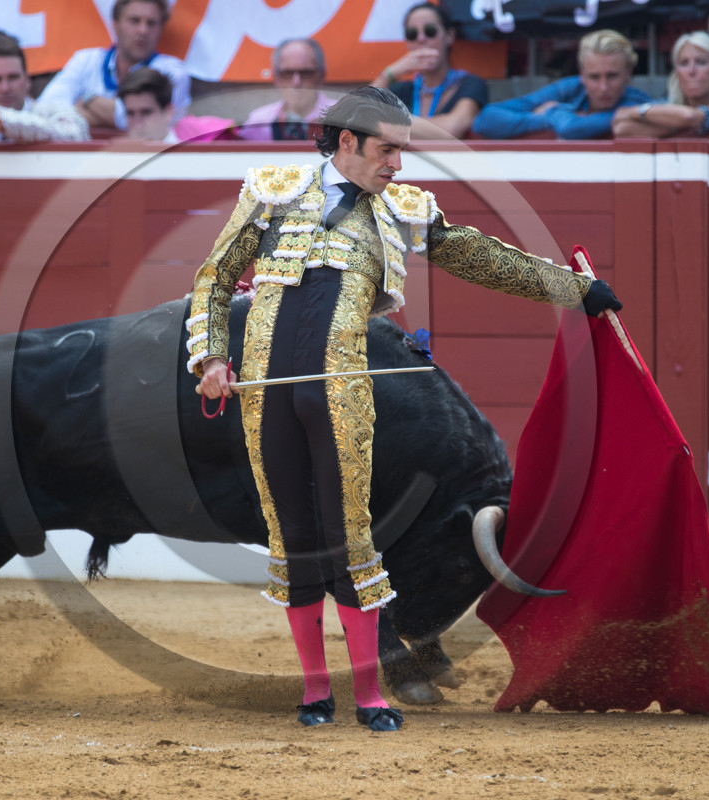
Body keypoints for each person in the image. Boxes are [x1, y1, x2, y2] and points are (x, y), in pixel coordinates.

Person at [186, 86, 621, 732]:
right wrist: (212, 358)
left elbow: (480, 255)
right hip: (268, 397)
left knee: (351, 542)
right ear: (347, 143)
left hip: (341, 396)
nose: (398, 165)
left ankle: (368, 694)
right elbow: (215, 279)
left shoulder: (404, 209)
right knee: (294, 543)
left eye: (403, 151)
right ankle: (314, 694)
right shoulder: (271, 189)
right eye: (388, 150)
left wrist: (573, 288)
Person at [37, 0, 191, 134]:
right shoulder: (85, 60)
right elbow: (44, 108)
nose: (143, 31)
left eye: (151, 23)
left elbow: (143, 123)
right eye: (134, 20)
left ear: (160, 29)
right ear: (115, 25)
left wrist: (87, 100)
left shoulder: (172, 72)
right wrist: (111, 116)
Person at [472, 29, 649, 139]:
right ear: (582, 75)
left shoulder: (637, 102)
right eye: (594, 77)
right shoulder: (570, 89)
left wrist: (555, 111)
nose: (603, 87)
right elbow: (484, 119)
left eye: (612, 76)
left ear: (629, 74)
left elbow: (571, 128)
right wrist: (543, 119)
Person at [372, 2, 489, 138]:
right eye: (412, 34)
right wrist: (388, 74)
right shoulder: (403, 90)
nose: (421, 39)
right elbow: (360, 115)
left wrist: (384, 122)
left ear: (449, 36)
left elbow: (452, 128)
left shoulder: (471, 84)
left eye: (430, 31)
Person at [612, 32, 709, 138]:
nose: (691, 71)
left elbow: (690, 117)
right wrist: (678, 124)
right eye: (684, 63)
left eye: (701, 62)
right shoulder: (665, 105)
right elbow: (621, 127)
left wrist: (645, 115)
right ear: (676, 72)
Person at [236, 39, 336, 141]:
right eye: (287, 73)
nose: (296, 82)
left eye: (306, 73)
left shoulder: (343, 120)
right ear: (276, 78)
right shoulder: (258, 123)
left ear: (321, 76)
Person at [118, 67, 178, 143]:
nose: (137, 125)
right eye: (130, 113)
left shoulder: (187, 154)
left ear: (168, 112)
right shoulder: (117, 154)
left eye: (146, 113)